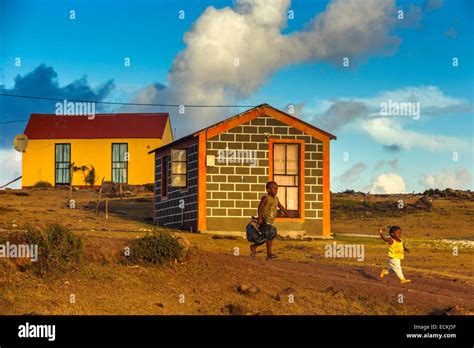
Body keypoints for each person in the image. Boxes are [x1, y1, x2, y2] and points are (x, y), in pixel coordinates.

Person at [250, 181, 290, 260]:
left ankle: (267, 253)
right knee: (270, 235)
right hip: (264, 220)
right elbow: (260, 208)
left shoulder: (276, 199)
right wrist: (260, 218)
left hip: (270, 221)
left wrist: (288, 214)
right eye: (274, 189)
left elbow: (281, 207)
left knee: (269, 237)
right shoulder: (266, 198)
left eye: (277, 189)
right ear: (268, 190)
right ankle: (255, 247)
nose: (276, 190)